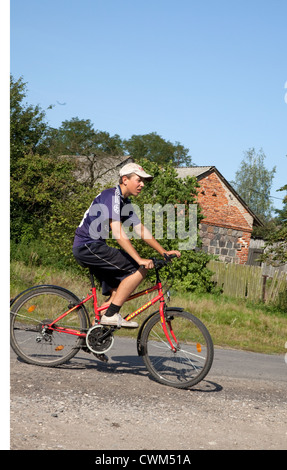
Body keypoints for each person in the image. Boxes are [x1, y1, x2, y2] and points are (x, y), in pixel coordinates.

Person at [73, 162, 180, 328]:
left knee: (117, 290)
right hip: (88, 246)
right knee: (139, 269)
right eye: (139, 180)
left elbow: (140, 229)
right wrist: (139, 259)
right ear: (125, 179)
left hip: (94, 247)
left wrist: (163, 252)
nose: (142, 184)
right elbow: (117, 232)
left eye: (143, 181)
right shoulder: (112, 197)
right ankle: (111, 315)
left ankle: (97, 331)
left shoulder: (124, 202)